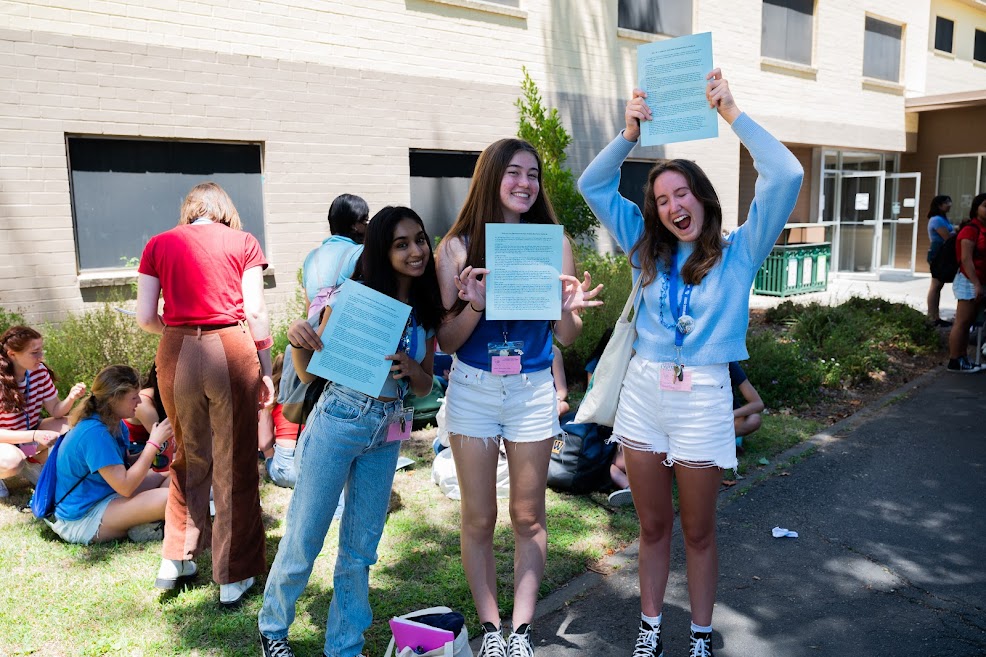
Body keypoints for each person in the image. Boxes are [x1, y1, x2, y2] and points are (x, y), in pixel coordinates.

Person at [577, 70, 803, 657]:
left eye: (683, 194)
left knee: (699, 531)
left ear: (702, 197)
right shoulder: (642, 246)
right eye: (662, 199)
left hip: (703, 396)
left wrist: (732, 113)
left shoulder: (740, 253)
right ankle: (650, 629)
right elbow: (592, 182)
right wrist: (629, 134)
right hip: (645, 393)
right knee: (653, 527)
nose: (674, 206)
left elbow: (786, 174)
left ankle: (700, 637)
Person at [435, 137, 603, 657]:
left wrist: (570, 307)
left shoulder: (553, 245)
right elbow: (445, 341)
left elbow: (567, 338)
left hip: (532, 391)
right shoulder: (458, 247)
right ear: (491, 177)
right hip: (474, 391)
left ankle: (522, 631)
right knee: (479, 516)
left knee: (529, 517)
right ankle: (491, 632)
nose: (525, 183)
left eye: (533, 174)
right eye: (514, 173)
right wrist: (474, 307)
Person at [258, 206, 444, 657]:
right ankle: (273, 630)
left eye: (419, 239)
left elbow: (427, 385)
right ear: (382, 249)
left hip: (389, 427)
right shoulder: (350, 298)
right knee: (306, 534)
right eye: (402, 244)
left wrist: (411, 369)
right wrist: (298, 337)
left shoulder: (426, 309)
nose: (415, 251)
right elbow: (307, 372)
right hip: (340, 418)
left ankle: (345, 646)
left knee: (362, 547)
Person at [136, 181, 274, 606]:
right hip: (230, 348)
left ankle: (175, 559)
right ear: (224, 211)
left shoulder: (158, 244)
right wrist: (266, 365)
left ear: (189, 210)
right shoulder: (244, 241)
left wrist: (177, 333)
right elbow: (254, 310)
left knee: (186, 455)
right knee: (234, 460)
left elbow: (144, 317)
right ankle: (232, 574)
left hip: (175, 352)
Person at [46, 365, 173, 544]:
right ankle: (148, 523)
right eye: (134, 397)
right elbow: (126, 486)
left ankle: (147, 522)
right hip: (84, 518)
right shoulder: (95, 433)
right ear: (114, 399)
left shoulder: (114, 423)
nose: (139, 401)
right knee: (168, 498)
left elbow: (124, 463)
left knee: (173, 474)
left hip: (109, 496)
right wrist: (153, 444)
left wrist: (159, 449)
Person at [0, 326, 86, 498]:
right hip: (7, 441)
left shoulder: (39, 372)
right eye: (34, 352)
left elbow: (55, 411)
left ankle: (32, 461)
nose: (41, 357)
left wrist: (71, 397)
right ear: (12, 354)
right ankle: (17, 464)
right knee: (12, 462)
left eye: (41, 351)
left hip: (29, 434)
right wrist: (34, 436)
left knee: (79, 428)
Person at [302, 193, 370, 318]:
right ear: (354, 225)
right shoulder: (360, 252)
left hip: (317, 333)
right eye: (365, 221)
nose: (367, 226)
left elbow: (309, 308)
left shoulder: (311, 257)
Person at [945, 193, 986, 373]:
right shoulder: (971, 229)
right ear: (976, 208)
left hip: (978, 280)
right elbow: (965, 259)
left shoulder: (983, 228)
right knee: (962, 322)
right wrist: (976, 284)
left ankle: (962, 358)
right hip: (969, 280)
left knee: (969, 322)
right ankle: (955, 360)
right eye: (985, 205)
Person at [258, 353, 303, 489]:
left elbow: (264, 443)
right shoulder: (311, 400)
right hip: (308, 473)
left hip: (282, 472)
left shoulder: (272, 405)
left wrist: (269, 457)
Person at [122, 363, 173, 473]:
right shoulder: (143, 403)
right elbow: (167, 442)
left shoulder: (163, 399)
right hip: (135, 450)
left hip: (148, 446)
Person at [926, 195, 955, 326]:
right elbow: (947, 237)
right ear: (939, 205)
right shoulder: (936, 219)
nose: (949, 204)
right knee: (936, 285)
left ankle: (934, 316)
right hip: (938, 254)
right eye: (946, 202)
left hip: (942, 253)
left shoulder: (942, 219)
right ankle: (932, 317)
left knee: (938, 285)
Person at [728, 361, 764, 453]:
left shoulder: (730, 365)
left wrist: (730, 415)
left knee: (754, 419)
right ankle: (724, 443)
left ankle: (720, 442)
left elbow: (758, 403)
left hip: (728, 420)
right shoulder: (687, 365)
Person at [550, 345, 570, 417]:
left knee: (564, 406)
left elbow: (561, 390)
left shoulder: (553, 350)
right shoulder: (514, 348)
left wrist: (557, 399)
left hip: (548, 399)